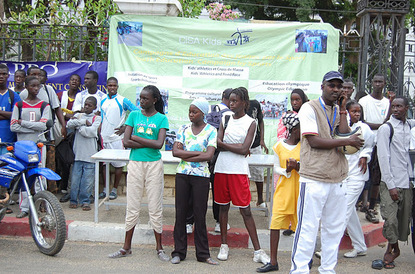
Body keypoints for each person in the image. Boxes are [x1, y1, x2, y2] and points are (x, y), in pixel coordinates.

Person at [290, 71, 363, 273]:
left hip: (337, 178)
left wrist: (342, 110)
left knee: (334, 230)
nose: (336, 89)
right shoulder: (309, 107)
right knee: (307, 229)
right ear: (322, 86)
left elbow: (345, 133)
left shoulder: (341, 110)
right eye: (332, 85)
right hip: (313, 178)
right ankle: (299, 270)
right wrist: (347, 141)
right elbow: (314, 141)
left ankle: (328, 269)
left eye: (339, 86)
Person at [108, 85, 169, 262]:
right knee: (132, 206)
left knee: (154, 207)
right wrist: (143, 141)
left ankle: (159, 248)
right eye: (140, 98)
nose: (141, 101)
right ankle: (126, 247)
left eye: (145, 98)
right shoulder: (133, 115)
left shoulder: (161, 118)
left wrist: (136, 138)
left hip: (154, 166)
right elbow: (126, 141)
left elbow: (159, 145)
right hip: (135, 164)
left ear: (154, 100)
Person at [214, 87, 270, 265]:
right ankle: (224, 245)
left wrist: (227, 145)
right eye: (230, 100)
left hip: (238, 171)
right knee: (223, 208)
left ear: (244, 103)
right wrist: (235, 147)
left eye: (235, 101)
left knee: (245, 210)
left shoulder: (251, 122)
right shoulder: (225, 118)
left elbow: (245, 149)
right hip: (222, 168)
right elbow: (217, 143)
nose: (231, 103)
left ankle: (258, 250)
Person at [170, 98, 218, 265]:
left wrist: (186, 153)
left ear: (203, 113)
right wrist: (196, 155)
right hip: (183, 174)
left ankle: (203, 254)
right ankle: (178, 252)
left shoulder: (212, 130)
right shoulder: (183, 128)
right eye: (190, 111)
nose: (191, 114)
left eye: (194, 111)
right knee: (180, 213)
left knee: (200, 215)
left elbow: (209, 156)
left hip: (201, 177)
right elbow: (175, 152)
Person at [257, 113, 301, 273]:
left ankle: (301, 260)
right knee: (275, 226)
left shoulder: (305, 147)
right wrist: (287, 170)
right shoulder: (278, 146)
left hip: (299, 192)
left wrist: (298, 166)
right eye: (300, 128)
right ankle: (273, 261)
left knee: (300, 229)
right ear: (294, 129)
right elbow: (276, 167)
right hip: (283, 192)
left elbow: (309, 167)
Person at [377, 96, 415, 270]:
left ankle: (392, 248)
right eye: (393, 106)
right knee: (390, 219)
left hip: (406, 182)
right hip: (390, 182)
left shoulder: (409, 127)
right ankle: (393, 248)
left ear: (407, 108)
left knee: (402, 220)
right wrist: (391, 185)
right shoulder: (386, 128)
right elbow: (383, 158)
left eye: (399, 106)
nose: (396, 109)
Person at [20, 66, 67, 192]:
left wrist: (63, 126)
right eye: (33, 75)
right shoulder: (23, 95)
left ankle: (47, 195)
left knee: (48, 165)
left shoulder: (48, 89)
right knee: (30, 167)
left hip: (47, 135)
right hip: (28, 137)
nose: (37, 77)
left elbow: (57, 108)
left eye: (39, 74)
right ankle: (29, 195)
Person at [10, 76, 51, 218]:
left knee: (40, 174)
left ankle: (42, 204)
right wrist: (34, 128)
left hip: (38, 145)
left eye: (38, 86)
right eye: (33, 86)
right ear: (26, 86)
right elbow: (13, 126)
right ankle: (24, 207)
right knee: (24, 176)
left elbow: (43, 125)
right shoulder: (19, 105)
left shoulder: (44, 105)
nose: (36, 89)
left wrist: (24, 123)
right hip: (22, 147)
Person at [358, 74, 394, 224]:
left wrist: (382, 124)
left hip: (382, 143)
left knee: (377, 177)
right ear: (371, 83)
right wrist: (382, 125)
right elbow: (362, 122)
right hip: (365, 142)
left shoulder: (388, 103)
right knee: (362, 173)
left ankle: (371, 207)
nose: (378, 84)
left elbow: (389, 122)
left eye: (381, 82)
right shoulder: (364, 101)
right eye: (375, 81)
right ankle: (360, 203)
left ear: (385, 84)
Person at [342, 100, 375, 258]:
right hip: (343, 175)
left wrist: (365, 156)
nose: (356, 114)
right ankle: (360, 246)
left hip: (357, 175)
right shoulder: (343, 127)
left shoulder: (364, 128)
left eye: (358, 111)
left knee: (343, 211)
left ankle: (330, 247)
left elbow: (370, 145)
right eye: (353, 111)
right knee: (350, 214)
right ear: (346, 112)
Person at [98, 77, 138, 200]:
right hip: (104, 137)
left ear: (117, 87)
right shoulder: (103, 100)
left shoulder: (122, 100)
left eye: (114, 86)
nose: (112, 88)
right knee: (105, 165)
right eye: (110, 85)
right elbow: (103, 116)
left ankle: (114, 189)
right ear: (106, 86)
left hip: (117, 138)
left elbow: (136, 112)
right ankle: (105, 189)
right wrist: (100, 127)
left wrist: (126, 127)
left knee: (118, 165)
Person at [66, 96, 101, 211]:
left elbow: (91, 132)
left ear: (95, 107)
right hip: (77, 154)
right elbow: (68, 125)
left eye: (89, 105)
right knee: (75, 179)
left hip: (90, 154)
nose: (86, 107)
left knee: (87, 180)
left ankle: (85, 201)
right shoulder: (79, 116)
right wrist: (83, 122)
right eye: (85, 104)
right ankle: (73, 200)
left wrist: (79, 127)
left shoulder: (97, 118)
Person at [57, 73, 81, 198]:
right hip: (61, 130)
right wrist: (67, 117)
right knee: (61, 160)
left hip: (73, 132)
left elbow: (79, 115)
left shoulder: (81, 97)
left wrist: (66, 115)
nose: (74, 82)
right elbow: (56, 111)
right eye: (72, 79)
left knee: (70, 159)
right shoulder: (61, 95)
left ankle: (67, 187)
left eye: (77, 80)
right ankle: (61, 185)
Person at [247, 99, 269, 208]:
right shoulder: (236, 107)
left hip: (255, 145)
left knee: (259, 173)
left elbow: (261, 121)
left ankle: (260, 200)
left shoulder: (255, 104)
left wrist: (262, 140)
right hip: (240, 146)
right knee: (242, 174)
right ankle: (243, 200)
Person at [0, 64, 21, 154]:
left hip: (8, 142)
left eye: (4, 74)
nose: (1, 76)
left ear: (8, 76)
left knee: (6, 167)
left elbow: (15, 115)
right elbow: (11, 114)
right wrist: (7, 114)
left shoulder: (14, 95)